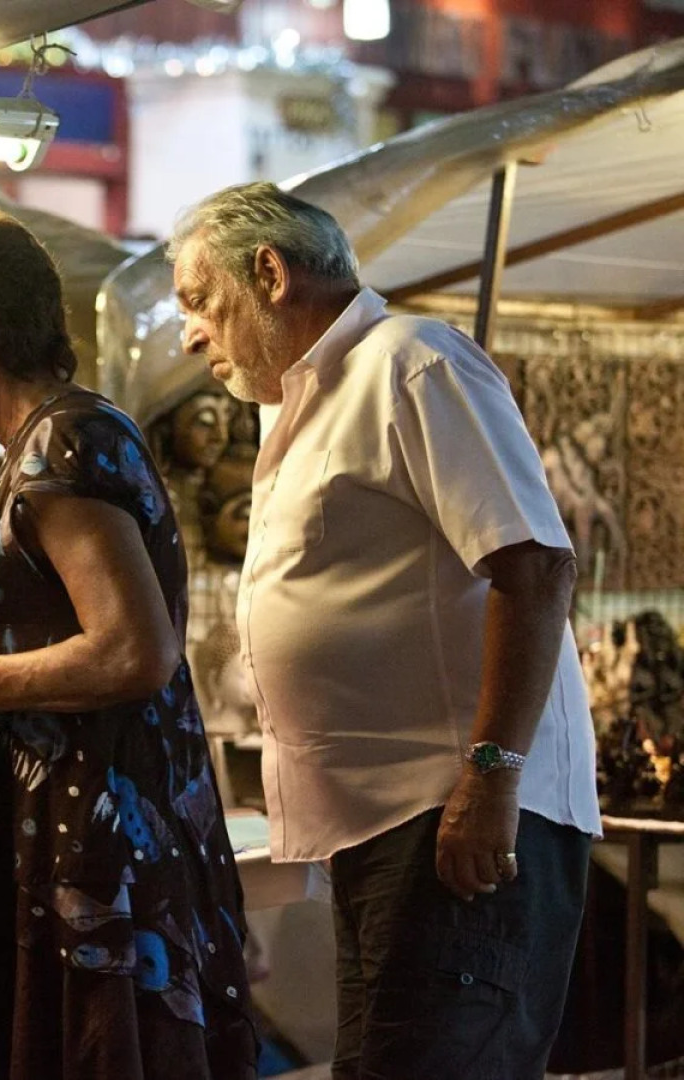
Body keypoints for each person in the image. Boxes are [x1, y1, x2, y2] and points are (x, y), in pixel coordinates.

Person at [168, 181, 601, 1079]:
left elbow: (535, 566)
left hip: (459, 818)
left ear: (270, 274)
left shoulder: (411, 363)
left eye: (200, 303)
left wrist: (491, 776)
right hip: (391, 830)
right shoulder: (306, 405)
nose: (190, 334)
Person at [0, 205, 257, 1080]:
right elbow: (60, 644)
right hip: (70, 833)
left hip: (95, 848)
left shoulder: (67, 442)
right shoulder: (47, 444)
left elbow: (132, 653)